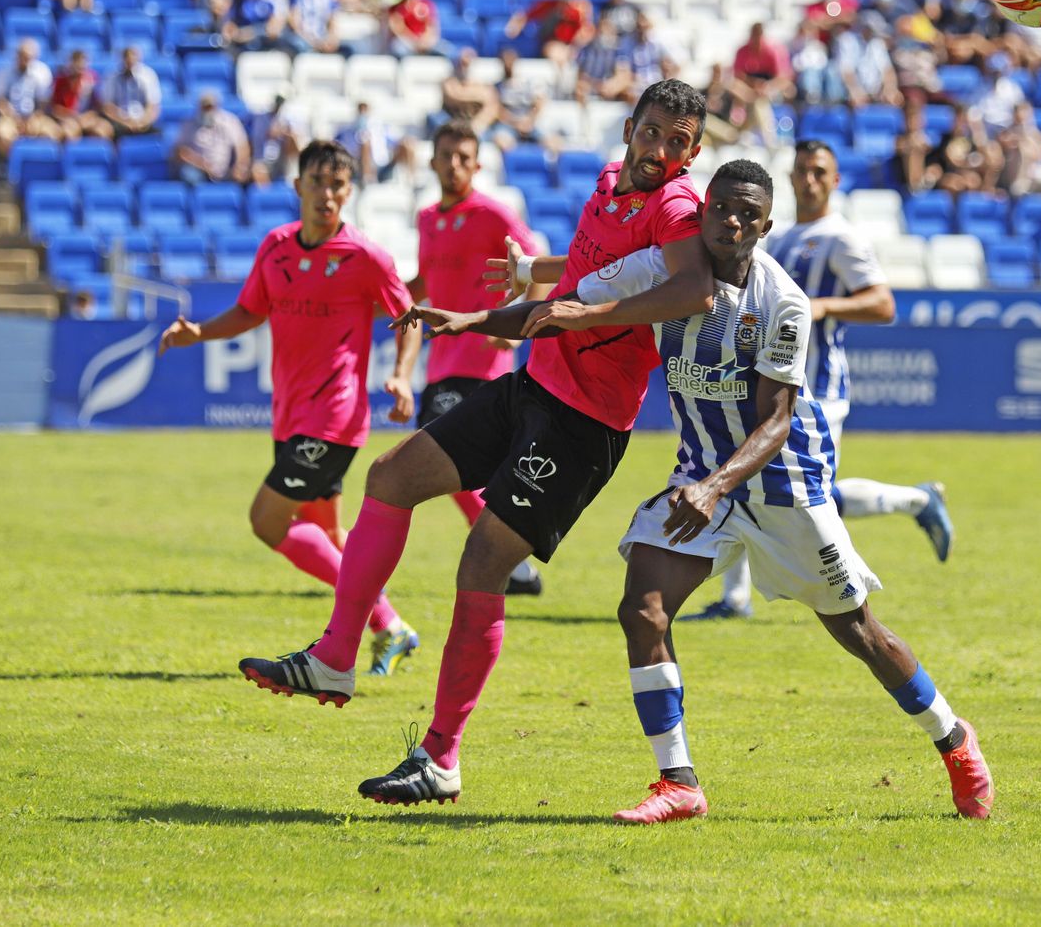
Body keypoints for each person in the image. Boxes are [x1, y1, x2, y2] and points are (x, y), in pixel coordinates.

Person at [400, 160, 994, 823]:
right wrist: (468, 320)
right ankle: (678, 781)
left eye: (747, 214)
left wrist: (715, 486)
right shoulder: (664, 269)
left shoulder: (783, 304)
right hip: (699, 482)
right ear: (703, 211)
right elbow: (563, 307)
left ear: (766, 226)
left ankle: (953, 739)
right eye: (721, 209)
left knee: (857, 631)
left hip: (779, 488)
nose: (731, 222)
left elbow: (776, 421)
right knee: (643, 610)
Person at [237, 81, 717, 807]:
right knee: (392, 475)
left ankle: (441, 758)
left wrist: (589, 314)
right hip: (534, 385)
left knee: (482, 561)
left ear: (694, 151)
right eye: (652, 132)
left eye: (677, 142)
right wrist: (513, 293)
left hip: (584, 422)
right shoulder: (609, 184)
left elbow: (693, 291)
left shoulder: (676, 206)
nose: (659, 151)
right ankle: (337, 655)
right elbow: (597, 266)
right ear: (630, 127)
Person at [160, 141, 423, 680]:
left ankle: (383, 624)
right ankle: (390, 626)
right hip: (291, 417)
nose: (327, 195)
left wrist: (399, 375)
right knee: (328, 538)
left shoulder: (365, 256)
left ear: (349, 193)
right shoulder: (275, 247)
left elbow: (409, 317)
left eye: (338, 185)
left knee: (268, 520)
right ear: (298, 185)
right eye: (318, 182)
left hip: (335, 419)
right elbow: (249, 310)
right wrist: (200, 332)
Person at [687, 140, 954, 620]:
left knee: (808, 493)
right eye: (801, 171)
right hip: (767, 381)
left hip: (819, 388)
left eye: (819, 172)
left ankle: (915, 501)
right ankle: (735, 598)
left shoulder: (841, 238)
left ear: (835, 180)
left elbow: (882, 303)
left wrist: (822, 307)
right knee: (743, 474)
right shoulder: (783, 237)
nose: (808, 180)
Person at [405, 122, 549, 595]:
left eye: (464, 157)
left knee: (441, 457)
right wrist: (392, 298)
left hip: (480, 361)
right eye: (446, 155)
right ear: (432, 160)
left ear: (478, 164)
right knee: (461, 468)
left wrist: (521, 326)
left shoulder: (493, 215)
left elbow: (538, 265)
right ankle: (517, 565)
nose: (454, 165)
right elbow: (425, 281)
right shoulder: (427, 217)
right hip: (441, 359)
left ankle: (511, 560)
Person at [0, 38, 62, 155]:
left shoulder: (42, 72)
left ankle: (36, 163)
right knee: (2, 133)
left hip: (35, 116)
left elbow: (44, 103)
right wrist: (13, 117)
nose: (25, 60)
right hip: (10, 117)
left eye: (28, 57)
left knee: (52, 133)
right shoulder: (4, 72)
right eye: (22, 56)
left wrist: (34, 118)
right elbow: (0, 101)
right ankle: (10, 164)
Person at [172, 90, 251, 184]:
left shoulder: (230, 121)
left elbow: (242, 146)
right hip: (199, 169)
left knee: (246, 175)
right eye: (205, 107)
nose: (208, 110)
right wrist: (203, 165)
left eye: (210, 107)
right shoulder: (189, 123)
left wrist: (239, 166)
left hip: (226, 169)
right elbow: (179, 151)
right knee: (189, 175)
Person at [97, 45, 162, 138]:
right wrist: (125, 122)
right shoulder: (111, 76)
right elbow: (107, 106)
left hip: (143, 122)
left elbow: (153, 105)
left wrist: (142, 122)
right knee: (104, 131)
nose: (130, 61)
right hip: (119, 121)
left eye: (133, 57)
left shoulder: (148, 75)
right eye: (127, 57)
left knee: (160, 135)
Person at [49, 48, 112, 141]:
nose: (80, 68)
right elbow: (55, 109)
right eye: (77, 64)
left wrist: (86, 117)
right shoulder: (60, 81)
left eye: (83, 64)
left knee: (103, 130)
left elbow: (98, 107)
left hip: (87, 118)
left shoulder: (92, 79)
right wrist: (73, 117)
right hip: (68, 119)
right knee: (68, 132)